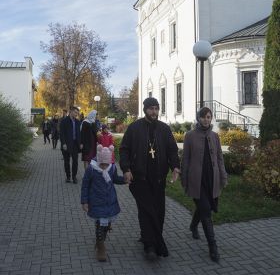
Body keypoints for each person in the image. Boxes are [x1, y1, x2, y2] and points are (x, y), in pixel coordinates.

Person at [119, 97, 180, 260]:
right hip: (140, 178)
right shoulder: (134, 128)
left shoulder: (164, 129)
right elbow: (124, 149)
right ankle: (151, 246)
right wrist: (126, 169)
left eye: (156, 108)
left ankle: (152, 236)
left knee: (159, 211)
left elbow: (173, 150)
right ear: (145, 109)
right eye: (151, 108)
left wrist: (175, 166)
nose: (154, 112)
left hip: (159, 178)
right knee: (147, 210)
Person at [181, 107, 228, 263]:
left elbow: (220, 158)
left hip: (211, 179)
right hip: (197, 180)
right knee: (206, 211)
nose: (206, 119)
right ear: (198, 118)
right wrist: (184, 179)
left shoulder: (215, 136)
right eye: (203, 117)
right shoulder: (190, 136)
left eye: (209, 117)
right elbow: (185, 159)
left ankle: (193, 226)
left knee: (204, 208)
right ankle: (213, 246)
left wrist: (223, 176)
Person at [81, 144, 125, 262]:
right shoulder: (91, 169)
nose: (104, 166)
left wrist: (125, 180)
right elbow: (85, 185)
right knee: (100, 226)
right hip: (96, 201)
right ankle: (101, 248)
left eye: (106, 164)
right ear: (99, 161)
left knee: (105, 226)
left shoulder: (112, 167)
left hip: (109, 201)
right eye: (102, 164)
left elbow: (115, 179)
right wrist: (84, 201)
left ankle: (100, 240)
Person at [59, 106, 82, 184]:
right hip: (67, 144)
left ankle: (74, 177)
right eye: (75, 112)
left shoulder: (78, 122)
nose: (76, 114)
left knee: (75, 161)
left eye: (77, 113)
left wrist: (81, 143)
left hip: (75, 144)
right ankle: (68, 177)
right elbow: (61, 134)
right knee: (66, 161)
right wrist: (63, 143)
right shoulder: (64, 121)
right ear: (71, 112)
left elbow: (79, 133)